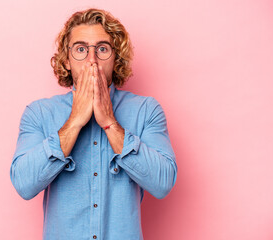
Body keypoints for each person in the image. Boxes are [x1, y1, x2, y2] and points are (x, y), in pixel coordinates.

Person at [10, 8, 177, 240]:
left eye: (102, 49)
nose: (92, 60)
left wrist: (109, 122)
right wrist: (75, 121)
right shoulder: (38, 113)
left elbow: (163, 183)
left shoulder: (146, 111)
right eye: (80, 49)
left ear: (115, 58)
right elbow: (24, 185)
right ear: (67, 60)